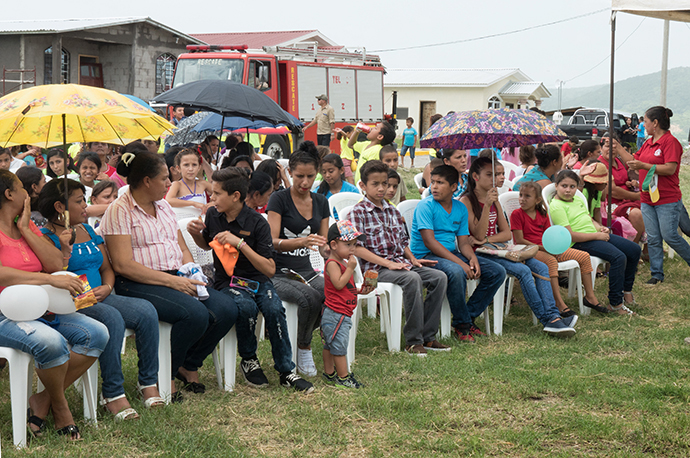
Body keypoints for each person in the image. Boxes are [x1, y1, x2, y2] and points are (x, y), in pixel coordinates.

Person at [101, 151, 238, 400]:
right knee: (194, 314)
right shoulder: (119, 210)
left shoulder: (163, 206)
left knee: (227, 308)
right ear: (146, 181)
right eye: (164, 178)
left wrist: (192, 271)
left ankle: (188, 364)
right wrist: (174, 282)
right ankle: (164, 374)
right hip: (137, 282)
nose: (168, 183)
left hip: (176, 274)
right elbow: (122, 265)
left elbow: (181, 247)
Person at [38, 179, 165, 420]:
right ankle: (113, 393)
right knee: (111, 318)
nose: (86, 206)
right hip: (72, 304)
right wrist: (64, 249)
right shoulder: (45, 238)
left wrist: (107, 287)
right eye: (79, 201)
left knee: (147, 310)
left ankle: (148, 382)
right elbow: (52, 277)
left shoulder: (86, 229)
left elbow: (107, 267)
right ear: (59, 206)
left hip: (100, 297)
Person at [0, 169, 108, 440]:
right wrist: (45, 280)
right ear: (9, 194)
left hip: (42, 308)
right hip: (5, 313)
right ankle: (61, 411)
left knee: (97, 333)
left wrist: (25, 228)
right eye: (22, 188)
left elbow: (54, 264)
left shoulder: (26, 224)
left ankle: (43, 400)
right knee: (52, 343)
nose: (29, 193)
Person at [187, 167, 314, 393]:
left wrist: (240, 244)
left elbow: (269, 268)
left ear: (235, 196)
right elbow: (207, 244)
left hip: (258, 280)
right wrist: (197, 233)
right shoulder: (213, 215)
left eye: (216, 194)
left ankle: (286, 370)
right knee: (245, 307)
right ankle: (249, 359)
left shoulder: (257, 223)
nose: (211, 198)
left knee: (274, 309)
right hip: (228, 282)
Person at [461, 157, 576, 336]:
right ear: (475, 176)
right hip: (480, 254)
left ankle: (553, 316)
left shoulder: (495, 198)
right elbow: (477, 234)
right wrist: (488, 208)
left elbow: (506, 234)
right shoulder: (467, 201)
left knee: (541, 266)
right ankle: (548, 320)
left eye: (497, 174)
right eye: (490, 174)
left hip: (497, 248)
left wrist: (487, 239)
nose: (495, 179)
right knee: (522, 272)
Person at [350, 160, 449, 355]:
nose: (382, 188)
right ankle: (413, 342)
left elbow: (402, 241)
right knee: (412, 279)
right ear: (363, 185)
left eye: (384, 184)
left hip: (399, 264)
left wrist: (413, 259)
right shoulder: (358, 212)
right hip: (375, 270)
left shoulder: (392, 211)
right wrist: (388, 264)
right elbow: (356, 248)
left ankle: (429, 337)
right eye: (375, 184)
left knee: (439, 277)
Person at [410, 165, 505, 342]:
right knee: (456, 271)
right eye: (433, 182)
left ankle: (468, 317)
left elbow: (463, 242)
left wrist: (472, 258)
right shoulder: (425, 206)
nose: (434, 187)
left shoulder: (460, 209)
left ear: (454, 187)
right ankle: (463, 325)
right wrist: (461, 263)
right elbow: (430, 242)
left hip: (450, 253)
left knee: (496, 272)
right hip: (426, 255)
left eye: (440, 183)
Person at [267, 144, 328, 377]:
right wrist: (299, 243)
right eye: (299, 176)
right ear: (289, 172)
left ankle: (321, 339)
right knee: (310, 297)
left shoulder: (321, 201)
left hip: (307, 271)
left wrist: (336, 253)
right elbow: (271, 241)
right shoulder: (279, 199)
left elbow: (322, 244)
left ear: (317, 173)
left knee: (332, 291)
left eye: (310, 176)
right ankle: (304, 347)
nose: (305, 182)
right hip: (278, 271)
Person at [549, 170, 640, 315]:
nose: (568, 190)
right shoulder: (557, 206)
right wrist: (596, 236)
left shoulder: (578, 199)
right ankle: (615, 304)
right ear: (556, 186)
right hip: (579, 242)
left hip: (594, 235)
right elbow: (571, 236)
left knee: (634, 249)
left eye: (572, 187)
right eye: (564, 186)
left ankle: (626, 291)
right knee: (618, 257)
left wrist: (600, 228)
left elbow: (589, 219)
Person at [510, 180, 602, 316]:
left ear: (537, 200)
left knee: (584, 256)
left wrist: (553, 247)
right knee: (551, 262)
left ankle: (590, 297)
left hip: (546, 247)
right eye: (521, 195)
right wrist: (543, 248)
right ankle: (558, 303)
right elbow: (520, 240)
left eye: (527, 196)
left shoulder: (542, 214)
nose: (522, 199)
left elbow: (549, 235)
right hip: (529, 250)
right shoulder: (516, 214)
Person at [628, 106, 690, 285]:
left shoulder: (671, 142)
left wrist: (644, 166)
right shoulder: (648, 142)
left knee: (670, 235)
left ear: (655, 123)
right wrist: (616, 148)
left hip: (667, 198)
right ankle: (656, 274)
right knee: (654, 237)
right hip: (648, 198)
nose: (643, 125)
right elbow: (634, 161)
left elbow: (670, 168)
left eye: (645, 122)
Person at [321, 220, 372, 388]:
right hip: (336, 313)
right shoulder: (333, 264)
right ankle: (343, 378)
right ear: (334, 244)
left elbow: (344, 288)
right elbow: (338, 284)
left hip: (342, 311)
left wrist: (360, 291)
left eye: (354, 244)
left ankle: (329, 374)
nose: (352, 249)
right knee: (339, 346)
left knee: (330, 343)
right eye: (348, 244)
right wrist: (350, 268)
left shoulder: (342, 262)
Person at [598, 134, 645, 244]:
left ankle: (649, 249)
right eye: (607, 146)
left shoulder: (619, 162)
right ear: (600, 148)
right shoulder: (601, 164)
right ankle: (634, 247)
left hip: (627, 200)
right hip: (610, 203)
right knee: (636, 214)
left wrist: (629, 183)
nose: (611, 150)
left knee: (651, 208)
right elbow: (613, 191)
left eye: (614, 146)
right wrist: (636, 196)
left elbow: (632, 164)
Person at [316, 153, 359, 219]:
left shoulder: (352, 190)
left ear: (341, 170)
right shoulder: (318, 192)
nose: (327, 175)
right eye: (324, 172)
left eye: (331, 171)